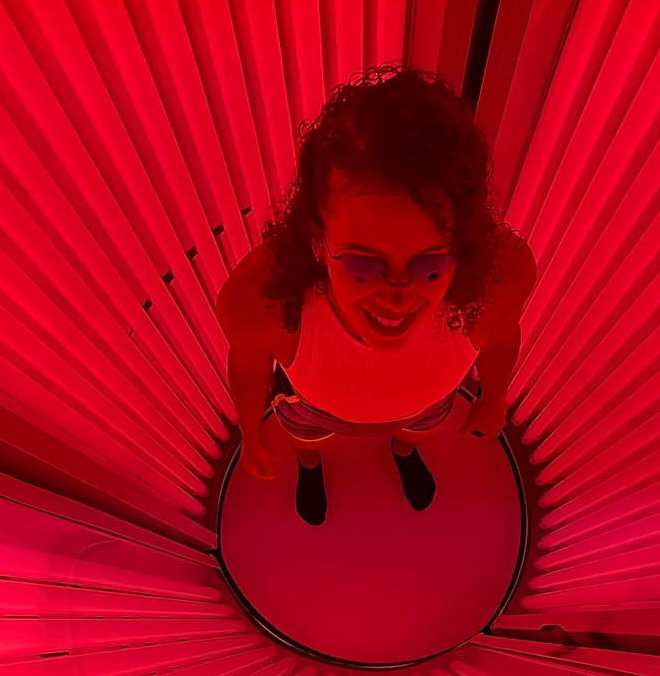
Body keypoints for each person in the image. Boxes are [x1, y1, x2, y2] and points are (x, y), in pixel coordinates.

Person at [219, 66, 536, 526]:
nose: (397, 297)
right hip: (312, 410)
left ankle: (403, 452)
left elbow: (503, 337)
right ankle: (312, 471)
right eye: (363, 268)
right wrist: (252, 434)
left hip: (426, 405)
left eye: (429, 266)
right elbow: (249, 367)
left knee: (416, 431)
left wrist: (493, 398)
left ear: (460, 246)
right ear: (316, 240)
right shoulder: (264, 301)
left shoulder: (496, 283)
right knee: (309, 445)